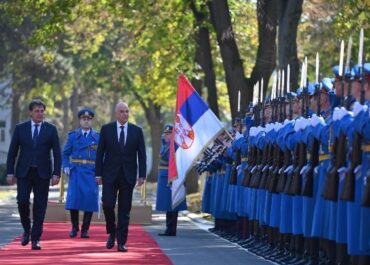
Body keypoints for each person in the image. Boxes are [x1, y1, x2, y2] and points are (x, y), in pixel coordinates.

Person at [6, 99, 61, 250]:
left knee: (40, 206)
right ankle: (26, 229)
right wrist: (10, 172)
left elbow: (57, 153)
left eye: (42, 111)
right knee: (22, 201)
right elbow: (12, 152)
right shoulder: (20, 129)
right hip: (24, 172)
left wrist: (56, 173)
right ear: (30, 112)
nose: (40, 114)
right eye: (37, 111)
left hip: (43, 173)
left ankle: (36, 238)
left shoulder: (51, 129)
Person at [95, 101, 146, 252]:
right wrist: (98, 173)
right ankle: (112, 231)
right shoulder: (106, 129)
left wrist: (142, 175)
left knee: (124, 210)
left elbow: (142, 155)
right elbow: (100, 153)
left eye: (127, 111)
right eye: (122, 111)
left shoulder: (137, 131)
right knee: (108, 204)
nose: (125, 114)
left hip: (128, 176)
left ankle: (122, 242)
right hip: (109, 175)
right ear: (116, 113)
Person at [62, 108, 100, 238]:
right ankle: (74, 227)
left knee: (89, 200)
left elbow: (102, 157)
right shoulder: (73, 136)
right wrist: (66, 166)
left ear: (91, 121)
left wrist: (100, 173)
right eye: (84, 119)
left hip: (91, 172)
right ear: (80, 120)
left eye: (89, 119)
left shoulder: (97, 137)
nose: (86, 121)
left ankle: (85, 229)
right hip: (76, 171)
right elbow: (65, 154)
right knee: (74, 201)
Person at [156, 124, 187, 236]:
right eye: (165, 133)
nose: (165, 135)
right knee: (167, 204)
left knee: (172, 204)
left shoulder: (173, 146)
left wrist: (171, 178)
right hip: (164, 176)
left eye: (168, 134)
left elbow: (173, 163)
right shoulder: (166, 145)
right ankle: (169, 228)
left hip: (170, 177)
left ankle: (171, 229)